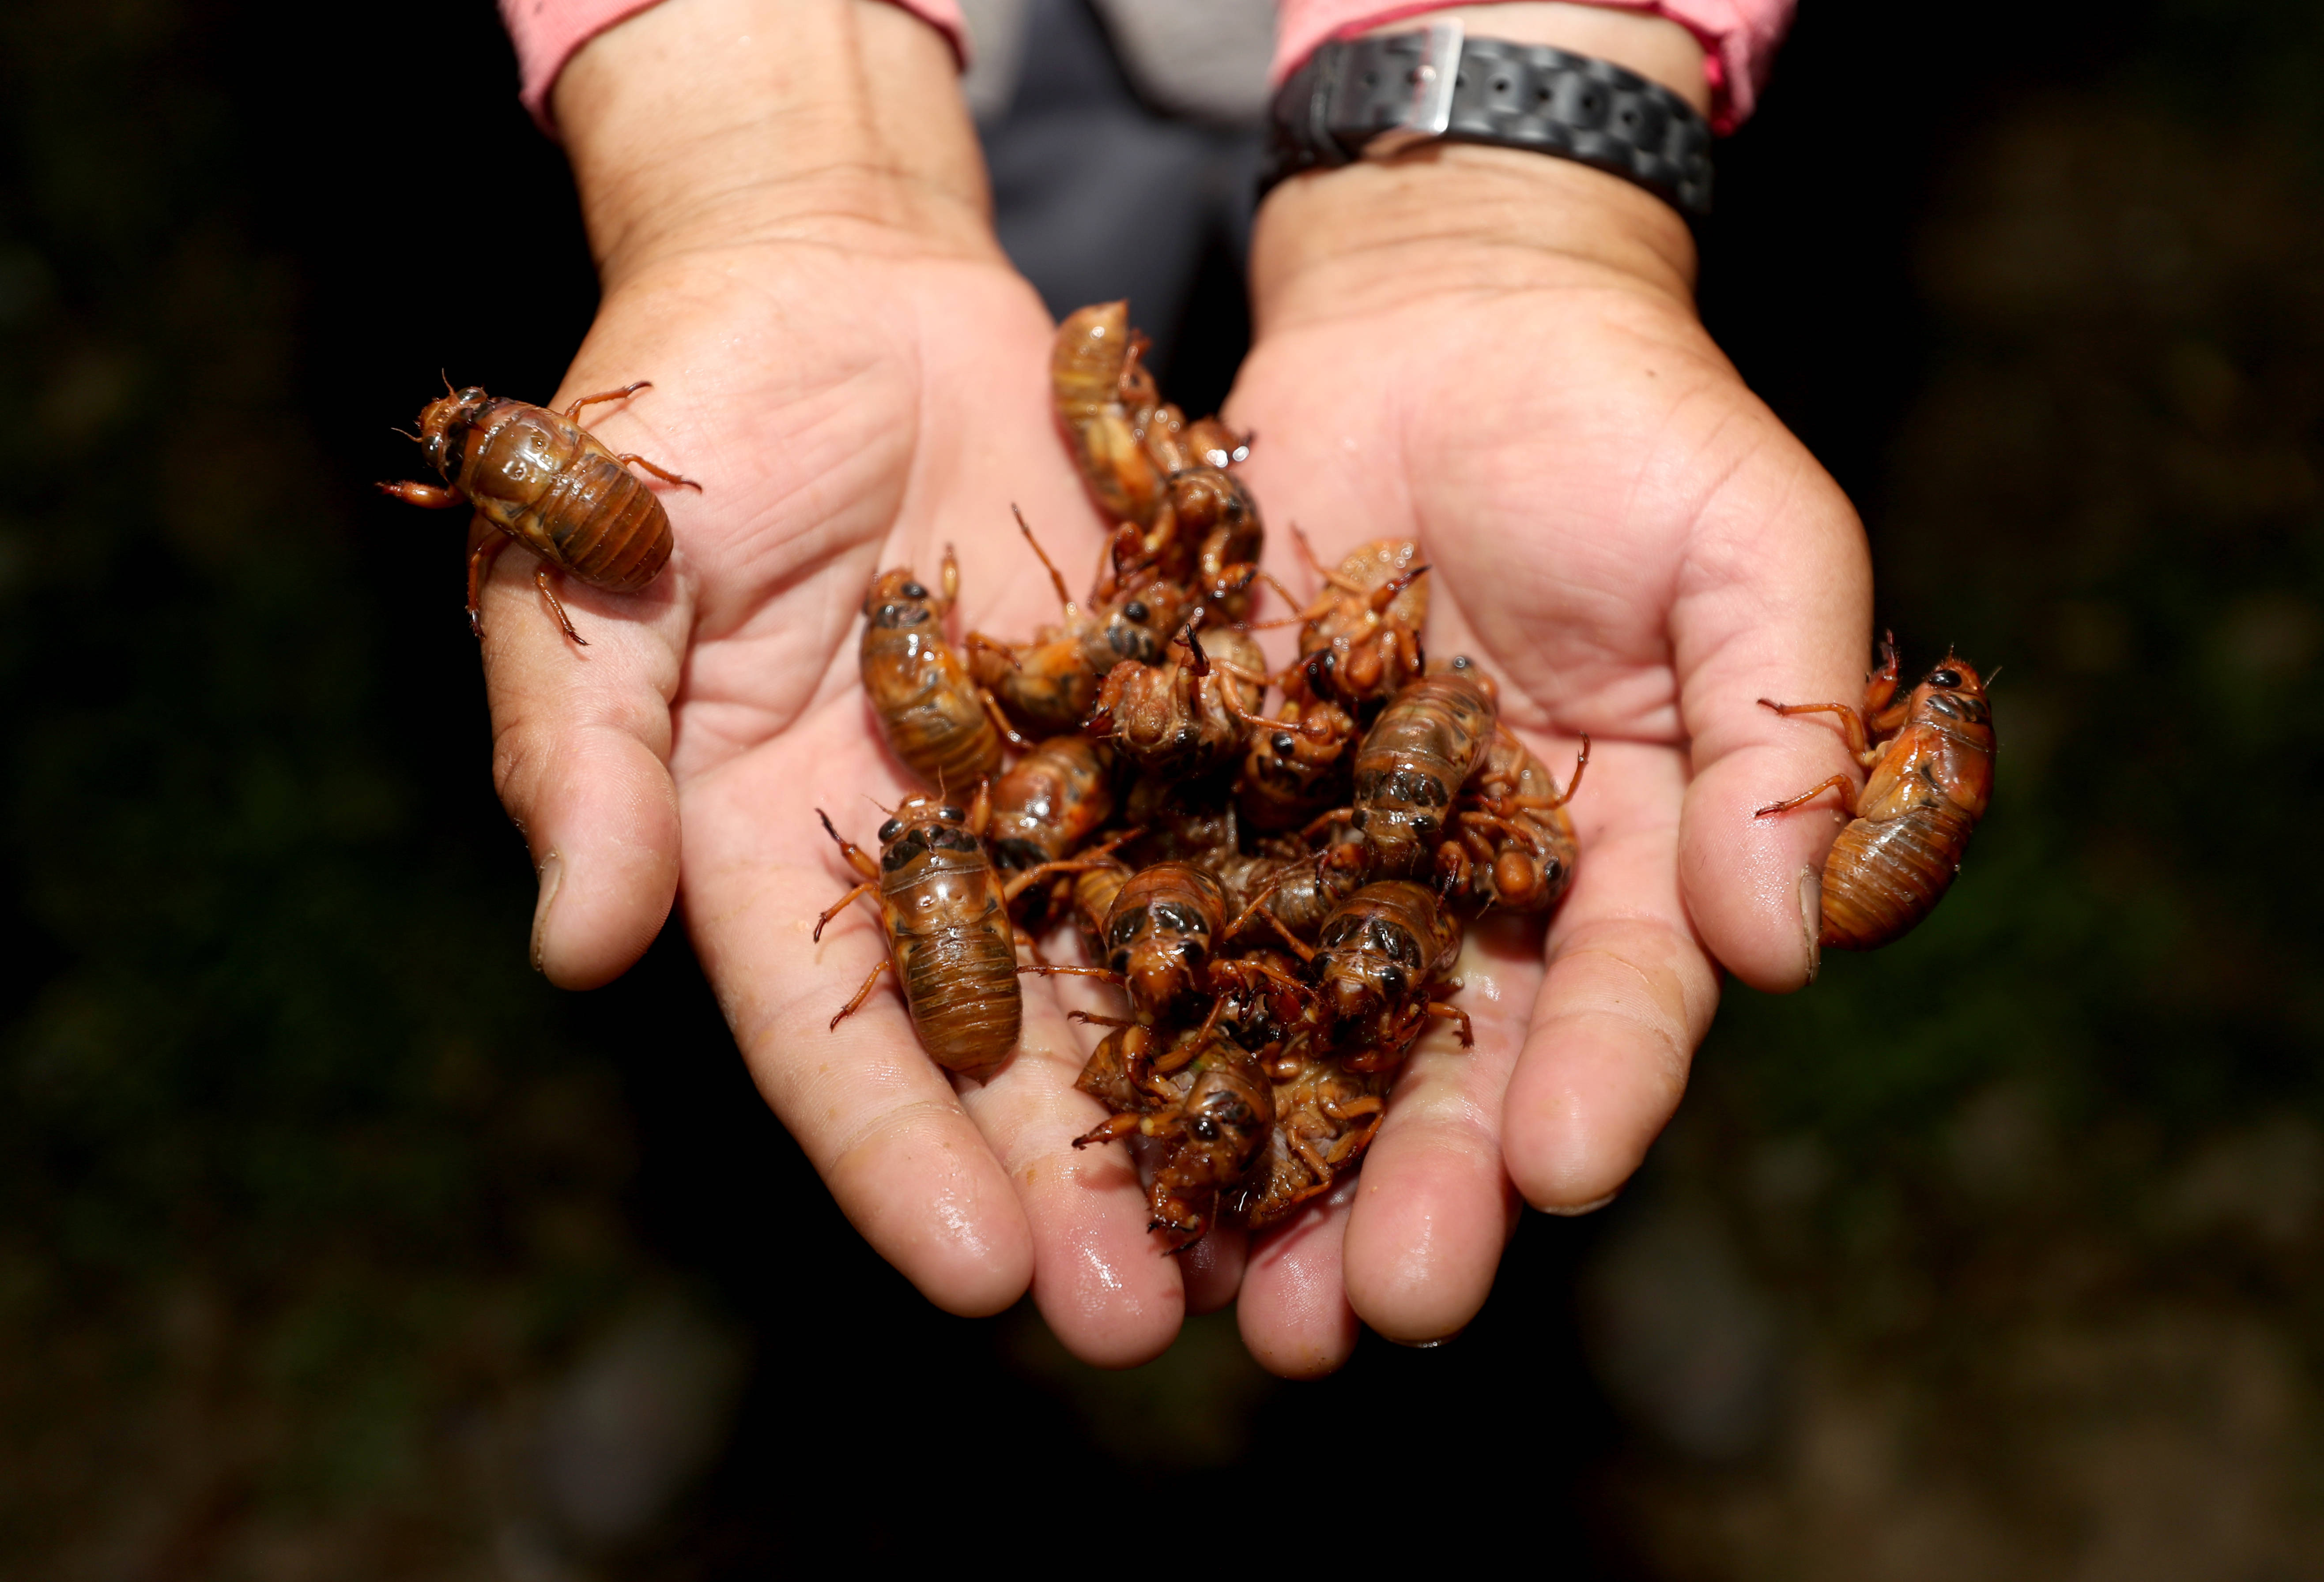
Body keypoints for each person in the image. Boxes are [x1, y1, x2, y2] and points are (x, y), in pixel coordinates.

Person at [479, 0, 1862, 1377]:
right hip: (997, 112)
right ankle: (736, 1264)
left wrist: (1519, 185)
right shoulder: (1158, 806)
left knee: (1568, 1064)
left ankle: (1599, 1236)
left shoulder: (1275, 854)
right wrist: (777, 155)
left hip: (1390, 136)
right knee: (731, 945)